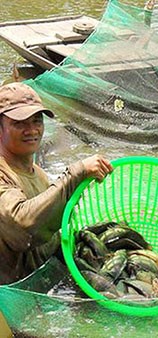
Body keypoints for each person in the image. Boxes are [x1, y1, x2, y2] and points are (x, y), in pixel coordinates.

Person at [0, 82, 114, 284]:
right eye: (20, 123)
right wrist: (76, 173)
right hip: (10, 297)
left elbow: (50, 233)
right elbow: (22, 228)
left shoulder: (39, 174)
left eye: (37, 121)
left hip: (37, 285)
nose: (32, 130)